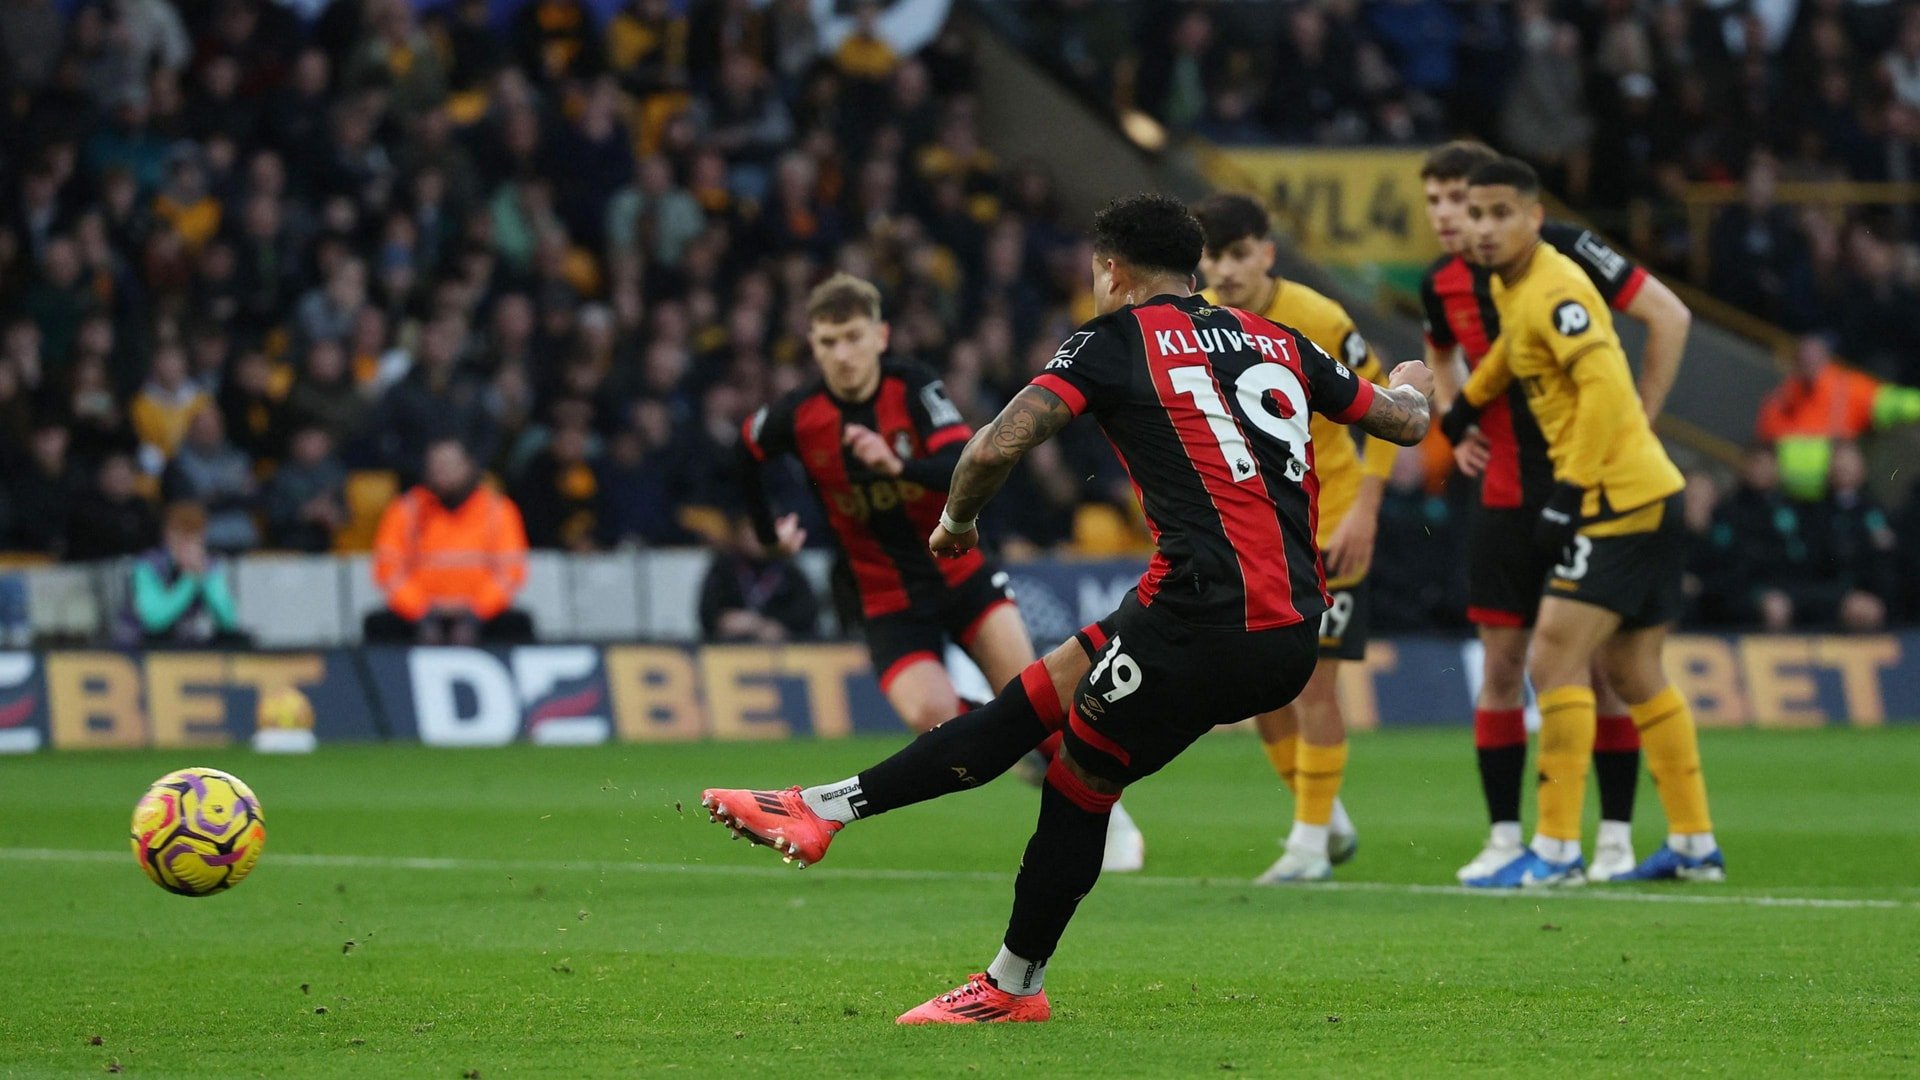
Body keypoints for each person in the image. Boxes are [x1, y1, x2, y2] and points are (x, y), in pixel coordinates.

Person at [701, 194, 1433, 1023]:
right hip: (1287, 620)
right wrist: (1412, 379)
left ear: (1112, 271)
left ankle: (1011, 987)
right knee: (1035, 699)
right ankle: (818, 810)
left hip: (1204, 619)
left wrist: (956, 522)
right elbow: (1403, 424)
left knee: (1078, 779)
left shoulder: (1113, 341)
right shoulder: (1277, 337)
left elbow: (992, 446)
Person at [737, 271, 1147, 873]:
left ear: (880, 335)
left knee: (1039, 699)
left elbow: (965, 458)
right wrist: (771, 534)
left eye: (852, 337)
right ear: (813, 344)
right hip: (885, 596)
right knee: (930, 719)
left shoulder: (913, 386)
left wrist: (896, 462)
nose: (842, 355)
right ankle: (1021, 748)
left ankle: (1109, 817)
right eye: (827, 342)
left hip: (962, 573)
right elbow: (745, 452)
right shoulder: (799, 414)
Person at [1419, 139, 1693, 884]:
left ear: (1523, 210)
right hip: (1508, 494)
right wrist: (1458, 412)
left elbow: (1668, 317)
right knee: (1512, 665)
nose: (1460, 219)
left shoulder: (1560, 256)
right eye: (1444, 203)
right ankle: (1515, 839)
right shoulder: (1449, 283)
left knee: (1594, 666)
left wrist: (1639, 423)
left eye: (1473, 202)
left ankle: (1596, 842)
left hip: (1596, 488)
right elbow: (1460, 353)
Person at [1192, 192, 1386, 883]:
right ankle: (1324, 817)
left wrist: (1368, 504)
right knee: (1258, 690)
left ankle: (1307, 842)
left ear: (1267, 253)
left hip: (1331, 524)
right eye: (1213, 257)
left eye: (1239, 254)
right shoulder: (1200, 324)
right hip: (1258, 532)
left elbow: (1387, 399)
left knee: (1314, 690)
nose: (1227, 270)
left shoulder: (1318, 317)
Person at [367, 437, 533, 645]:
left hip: (481, 614)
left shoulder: (499, 511)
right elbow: (388, 571)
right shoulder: (405, 510)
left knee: (517, 625)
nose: (440, 473)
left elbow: (511, 573)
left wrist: (475, 615)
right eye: (434, 467)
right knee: (379, 625)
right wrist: (422, 613)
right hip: (420, 614)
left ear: (469, 467)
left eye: (448, 466)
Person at [125, 501, 244, 645]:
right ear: (168, 535)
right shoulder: (147, 565)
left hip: (185, 646)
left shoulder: (209, 565)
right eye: (182, 536)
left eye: (195, 536)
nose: (188, 543)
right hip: (137, 646)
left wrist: (207, 579)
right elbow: (155, 621)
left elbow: (228, 622)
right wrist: (189, 579)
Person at [698, 515, 821, 643]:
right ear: (738, 535)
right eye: (749, 532)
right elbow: (708, 613)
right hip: (732, 648)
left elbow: (807, 613)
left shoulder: (788, 570)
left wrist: (770, 625)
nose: (753, 538)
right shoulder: (724, 568)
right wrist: (723, 621)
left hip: (783, 648)